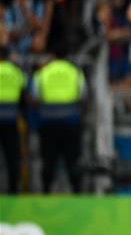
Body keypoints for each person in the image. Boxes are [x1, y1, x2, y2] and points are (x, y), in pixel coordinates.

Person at [31, 47, 86, 193]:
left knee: (48, 162)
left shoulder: (42, 72)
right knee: (73, 162)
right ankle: (77, 194)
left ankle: (46, 193)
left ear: (52, 55)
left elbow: (35, 99)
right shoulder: (76, 72)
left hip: (48, 125)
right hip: (71, 124)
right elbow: (83, 97)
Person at [0, 47, 27, 193]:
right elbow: (24, 93)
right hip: (10, 119)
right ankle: (13, 191)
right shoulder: (15, 71)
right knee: (12, 157)